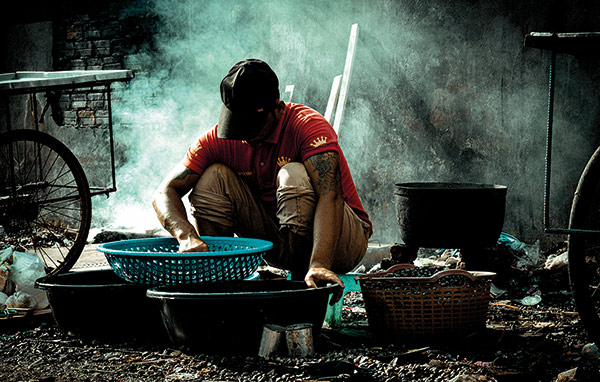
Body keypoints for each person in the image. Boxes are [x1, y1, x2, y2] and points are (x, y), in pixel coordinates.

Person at [152, 59, 372, 302]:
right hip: (278, 242)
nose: (244, 138)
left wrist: (320, 263)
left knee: (293, 174)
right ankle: (218, 283)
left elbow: (330, 196)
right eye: (237, 126)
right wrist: (186, 236)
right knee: (212, 177)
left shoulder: (307, 126)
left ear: (277, 108)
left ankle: (304, 278)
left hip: (340, 243)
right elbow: (165, 191)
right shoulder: (218, 139)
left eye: (252, 127)